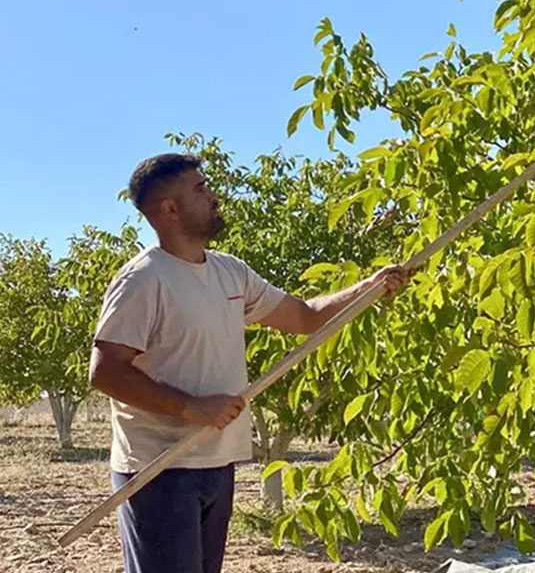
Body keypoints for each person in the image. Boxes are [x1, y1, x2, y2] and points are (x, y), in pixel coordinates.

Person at [88, 153, 409, 573]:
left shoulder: (229, 272)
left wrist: (369, 288)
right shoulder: (143, 280)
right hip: (159, 469)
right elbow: (106, 371)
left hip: (216, 462)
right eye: (200, 190)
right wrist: (191, 407)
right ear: (169, 209)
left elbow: (304, 317)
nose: (214, 197)